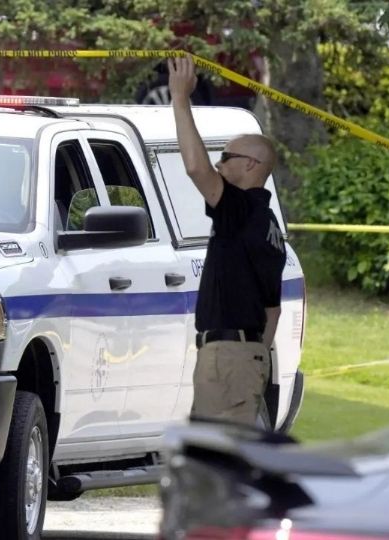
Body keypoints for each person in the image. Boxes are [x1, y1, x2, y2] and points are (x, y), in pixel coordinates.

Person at [167, 54, 287, 427]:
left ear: (251, 164)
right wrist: (256, 358)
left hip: (230, 355)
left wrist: (180, 99)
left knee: (216, 460)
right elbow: (273, 310)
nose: (219, 164)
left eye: (226, 157)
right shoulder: (266, 224)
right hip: (243, 354)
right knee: (220, 454)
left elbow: (195, 167)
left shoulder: (242, 210)